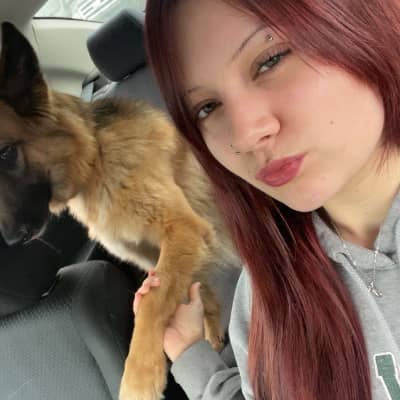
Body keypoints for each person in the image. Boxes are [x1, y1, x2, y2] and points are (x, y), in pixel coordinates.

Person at [134, 1, 400, 399]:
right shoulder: (266, 299)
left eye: (270, 60)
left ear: (359, 20)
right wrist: (189, 353)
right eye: (207, 108)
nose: (243, 135)